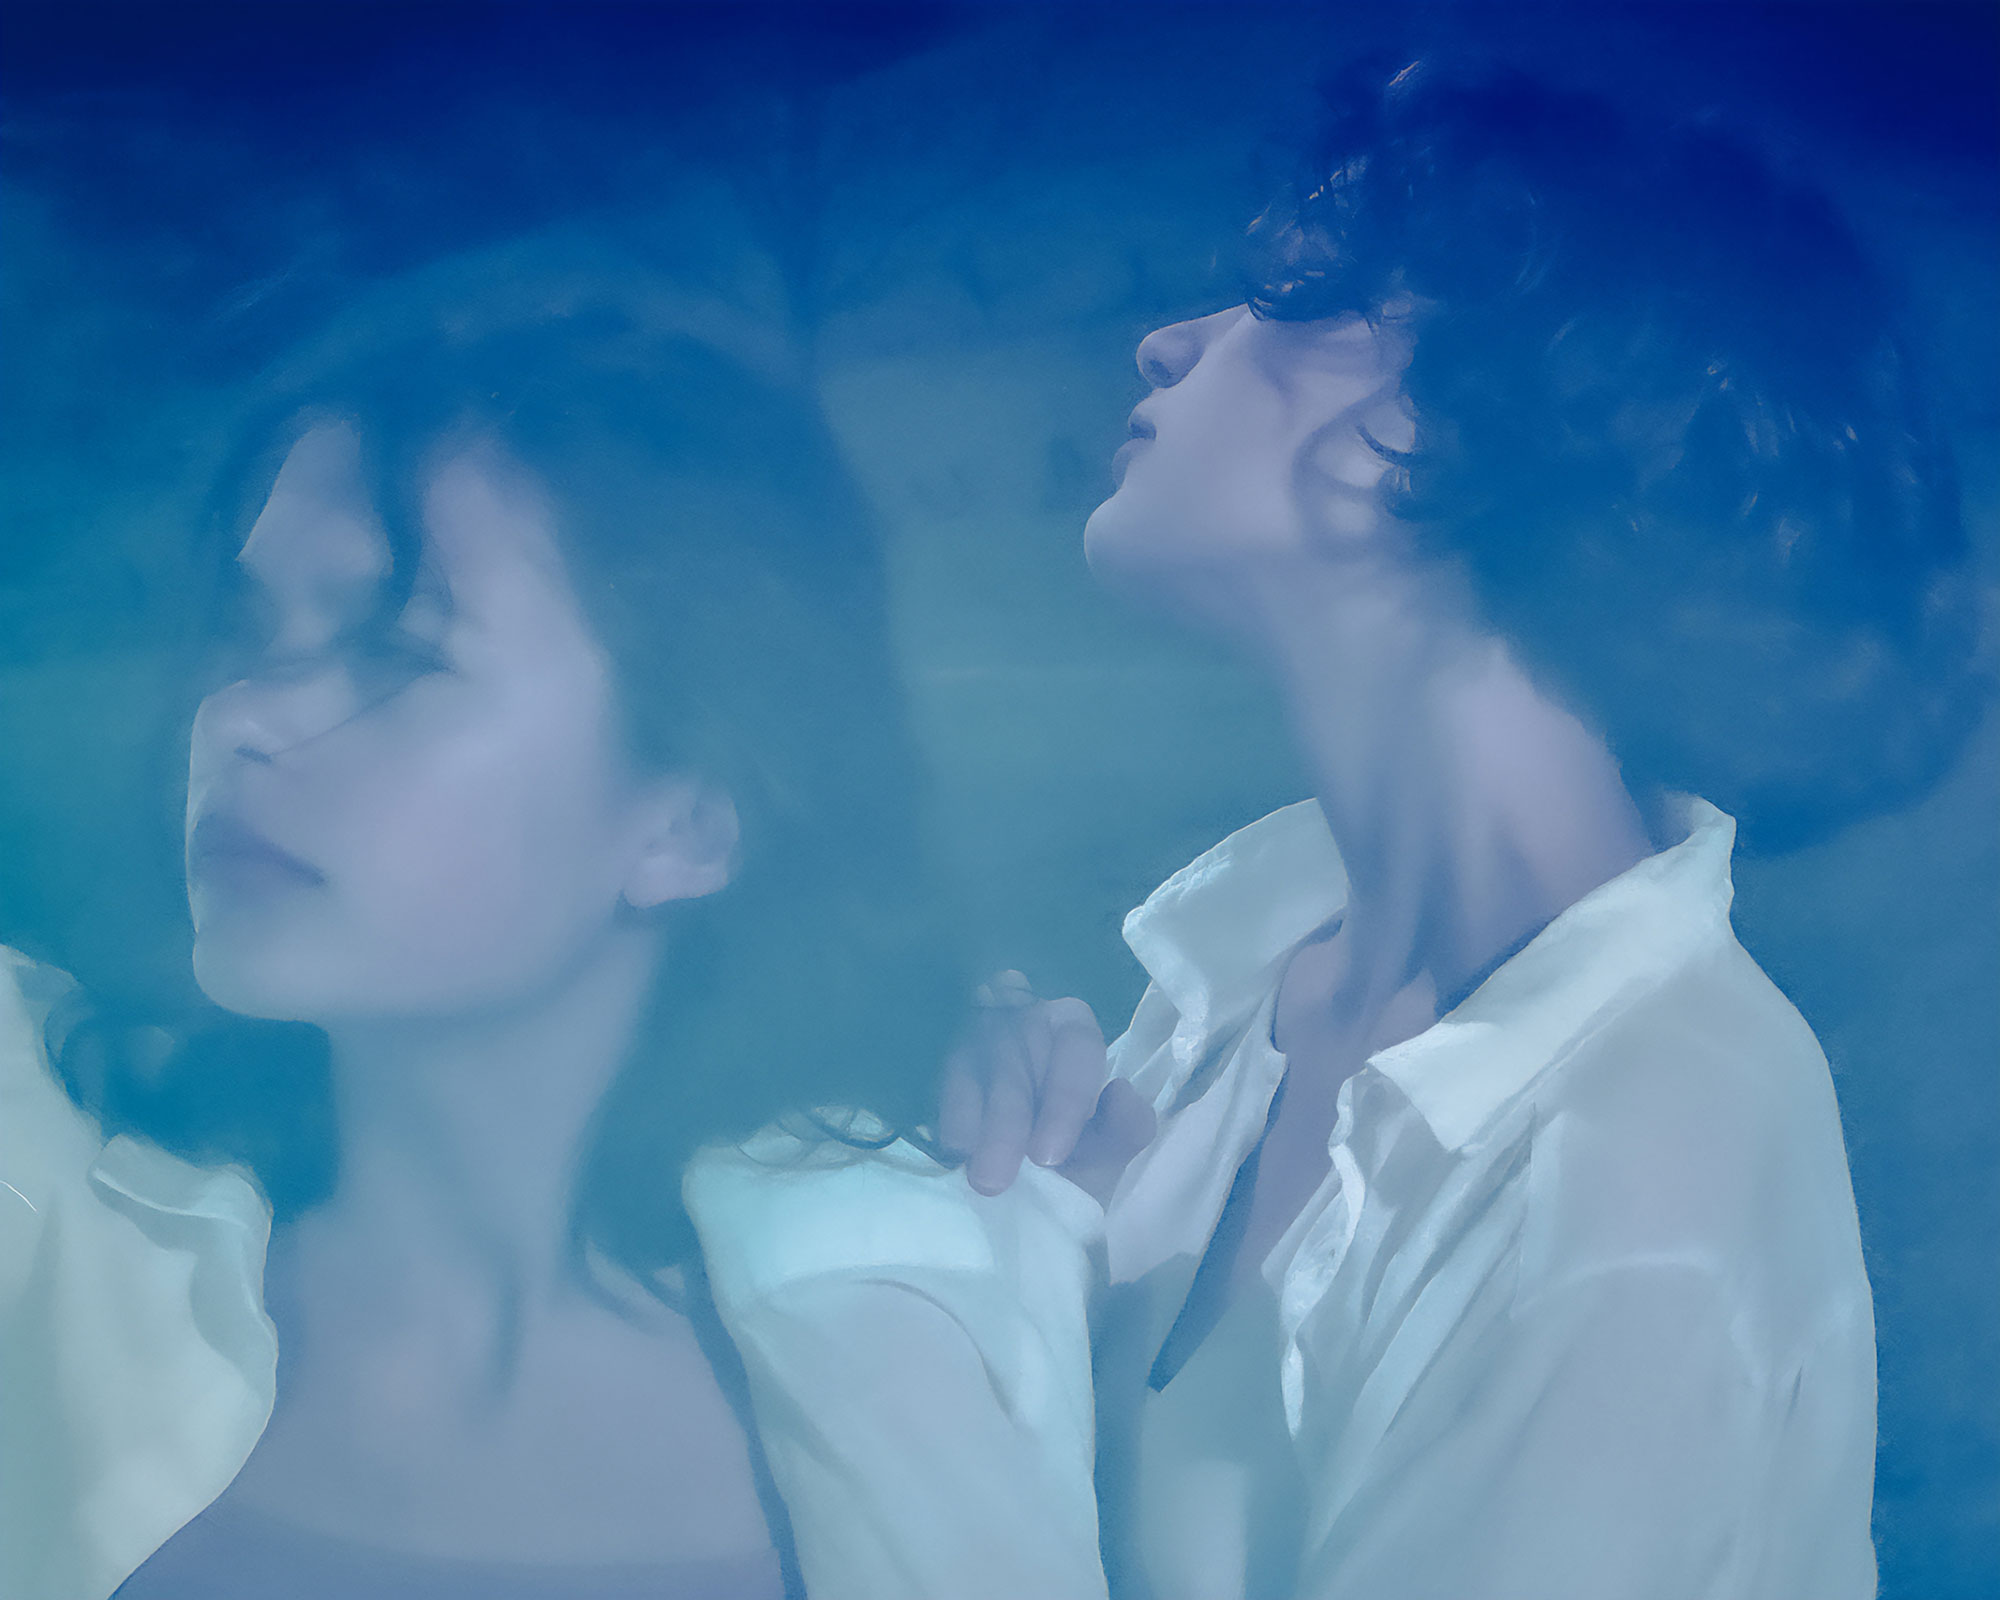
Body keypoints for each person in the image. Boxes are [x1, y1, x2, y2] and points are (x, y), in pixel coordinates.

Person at [946, 61, 1991, 1599]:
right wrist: (1010, 1231)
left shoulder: (1641, 1153)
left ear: (1486, 422)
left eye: (1295, 294)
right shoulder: (1227, 1001)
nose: (1171, 341)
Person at [0, 268, 1109, 1600]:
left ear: (690, 822)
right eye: (249, 631)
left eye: (398, 650)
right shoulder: (56, 1225)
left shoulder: (941, 1318)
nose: (240, 716)